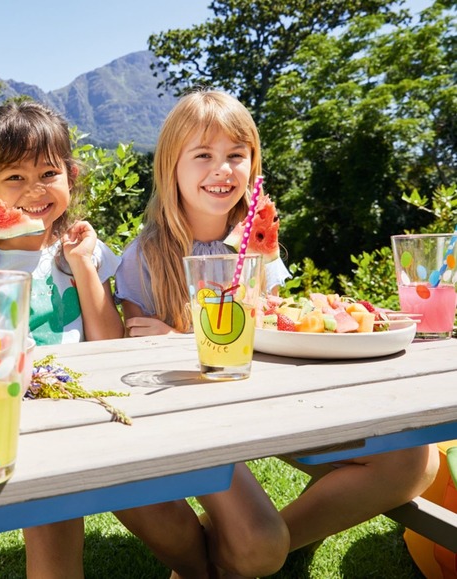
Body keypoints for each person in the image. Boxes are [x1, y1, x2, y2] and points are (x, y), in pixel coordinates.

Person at [115, 88, 438, 575]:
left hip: (271, 411)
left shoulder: (258, 244)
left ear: (253, 164)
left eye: (235, 155)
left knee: (414, 460)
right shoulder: (144, 256)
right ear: (170, 166)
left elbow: (277, 321)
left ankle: (253, 545)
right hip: (194, 424)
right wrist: (172, 339)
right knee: (257, 545)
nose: (222, 169)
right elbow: (134, 353)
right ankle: (253, 546)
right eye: (203, 155)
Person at [0, 101, 210, 578]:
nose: (34, 191)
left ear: (69, 176)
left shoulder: (83, 249)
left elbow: (110, 341)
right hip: (22, 412)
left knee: (163, 517)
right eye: (14, 179)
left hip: (94, 402)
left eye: (48, 173)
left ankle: (205, 568)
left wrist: (86, 267)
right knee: (52, 524)